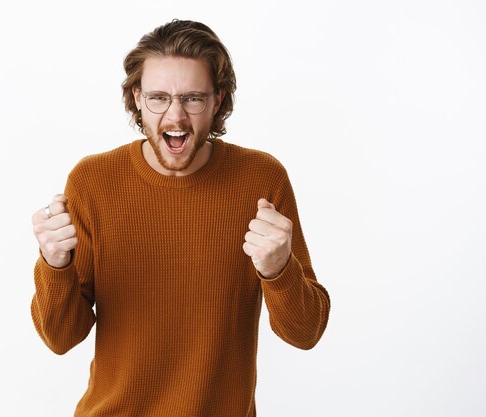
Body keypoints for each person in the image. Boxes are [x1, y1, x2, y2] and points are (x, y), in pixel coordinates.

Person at [30, 19, 330, 417]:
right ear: (137, 98)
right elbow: (60, 338)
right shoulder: (93, 181)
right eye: (158, 97)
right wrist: (54, 265)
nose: (175, 117)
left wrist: (279, 270)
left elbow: (306, 332)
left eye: (192, 98)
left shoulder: (262, 179)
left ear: (218, 100)